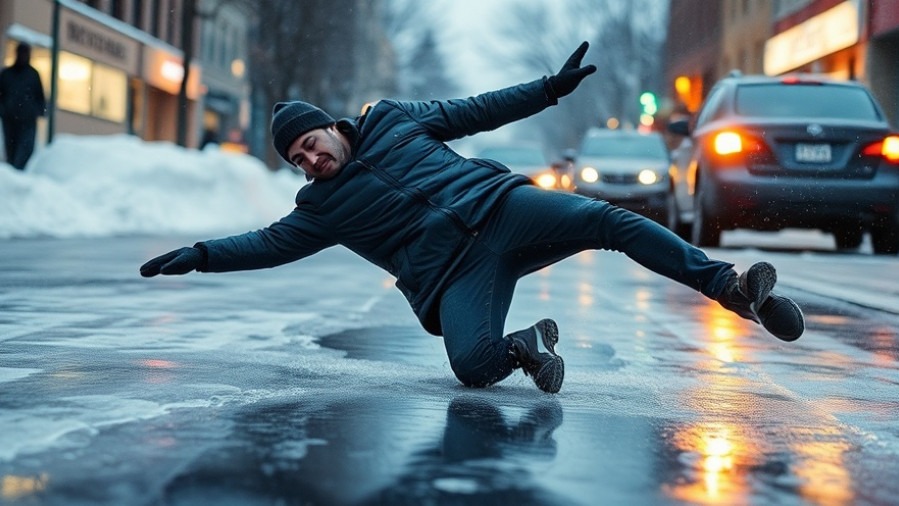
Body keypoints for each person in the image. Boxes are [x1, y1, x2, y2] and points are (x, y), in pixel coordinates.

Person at [141, 42, 804, 394]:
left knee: (611, 221)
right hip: (455, 275)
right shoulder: (318, 209)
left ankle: (732, 288)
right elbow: (266, 244)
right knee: (473, 368)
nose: (308, 161)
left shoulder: (390, 121)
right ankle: (525, 346)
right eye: (295, 159)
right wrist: (201, 253)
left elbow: (473, 110)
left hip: (504, 211)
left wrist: (546, 91)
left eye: (309, 144)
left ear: (329, 127)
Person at [0, 42, 46, 170]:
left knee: (26, 150)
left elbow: (40, 96)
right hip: (10, 120)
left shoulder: (33, 75)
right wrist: (4, 110)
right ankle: (13, 176)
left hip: (27, 121)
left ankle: (19, 174)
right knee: (11, 150)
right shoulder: (7, 74)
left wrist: (37, 111)